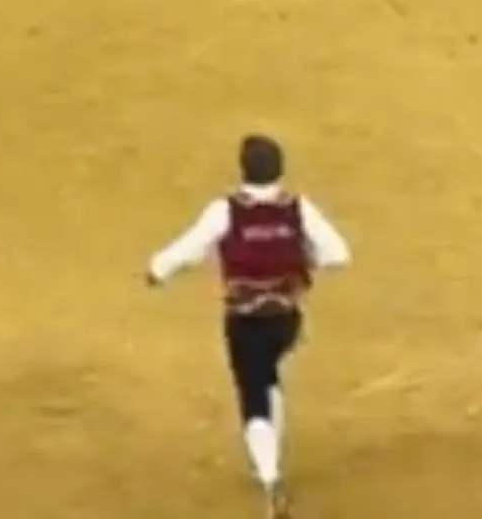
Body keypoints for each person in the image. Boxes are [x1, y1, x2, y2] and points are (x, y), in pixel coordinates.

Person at [144, 134, 353, 519]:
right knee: (269, 375)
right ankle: (269, 455)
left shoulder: (225, 211)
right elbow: (339, 254)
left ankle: (271, 479)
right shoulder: (298, 208)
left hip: (244, 323)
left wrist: (158, 269)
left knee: (253, 393)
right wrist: (304, 264)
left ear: (243, 170)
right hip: (287, 319)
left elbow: (189, 248)